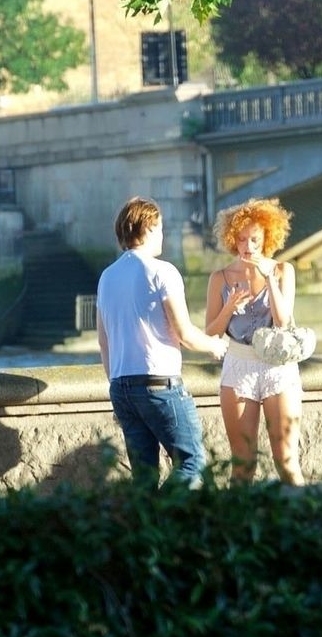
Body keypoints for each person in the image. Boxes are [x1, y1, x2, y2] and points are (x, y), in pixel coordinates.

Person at [96, 197, 230, 487]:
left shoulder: (106, 277)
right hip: (159, 384)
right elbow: (184, 333)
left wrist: (117, 385)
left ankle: (150, 514)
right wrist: (215, 345)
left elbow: (103, 342)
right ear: (149, 228)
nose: (163, 235)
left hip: (121, 386)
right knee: (192, 463)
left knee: (143, 478)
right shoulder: (162, 271)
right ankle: (167, 510)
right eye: (160, 228)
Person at [203, 198, 305, 485]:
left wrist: (269, 280)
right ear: (232, 239)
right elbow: (210, 334)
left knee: (286, 460)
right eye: (241, 239)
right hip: (238, 367)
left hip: (277, 368)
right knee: (243, 465)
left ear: (267, 239)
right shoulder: (220, 278)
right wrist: (228, 308)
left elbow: (283, 322)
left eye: (255, 240)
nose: (248, 247)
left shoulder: (284, 271)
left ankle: (303, 511)